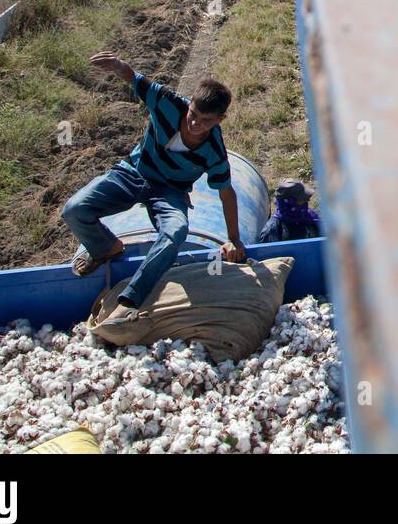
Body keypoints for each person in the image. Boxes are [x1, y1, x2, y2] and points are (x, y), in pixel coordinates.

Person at [60, 52, 245, 324]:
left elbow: (226, 192)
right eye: (193, 114)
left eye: (206, 120)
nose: (195, 124)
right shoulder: (167, 103)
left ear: (221, 119)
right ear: (189, 103)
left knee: (175, 231)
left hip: (169, 192)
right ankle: (106, 247)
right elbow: (135, 78)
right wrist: (118, 65)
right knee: (74, 210)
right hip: (134, 173)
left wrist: (234, 238)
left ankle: (131, 299)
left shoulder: (214, 152)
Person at [257, 179, 321, 242]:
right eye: (301, 201)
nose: (307, 201)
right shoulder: (273, 231)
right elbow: (268, 251)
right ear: (289, 204)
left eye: (306, 199)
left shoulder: (310, 218)